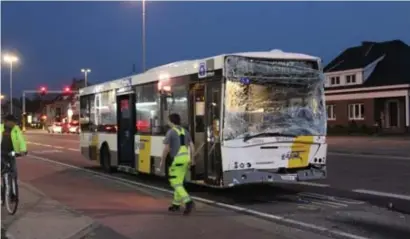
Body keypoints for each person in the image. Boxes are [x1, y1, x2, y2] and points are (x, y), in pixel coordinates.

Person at [160, 113, 195, 215]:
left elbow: (166, 148)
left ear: (171, 121)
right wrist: (192, 159)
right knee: (179, 182)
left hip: (177, 160)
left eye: (168, 120)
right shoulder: (186, 131)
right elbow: (192, 146)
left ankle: (188, 201)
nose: (167, 122)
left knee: (174, 182)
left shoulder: (170, 132)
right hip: (185, 159)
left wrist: (162, 160)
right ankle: (176, 204)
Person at [1, 114, 27, 206]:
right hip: (1, 153)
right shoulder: (1, 128)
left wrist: (23, 150)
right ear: (6, 122)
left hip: (11, 153)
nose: (14, 124)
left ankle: (12, 194)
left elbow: (21, 140)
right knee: (2, 172)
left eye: (14, 122)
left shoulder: (16, 129)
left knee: (13, 173)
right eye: (12, 122)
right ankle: (2, 193)